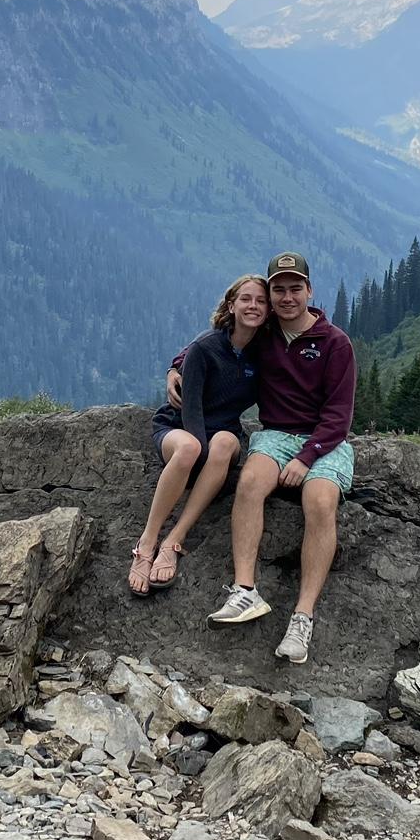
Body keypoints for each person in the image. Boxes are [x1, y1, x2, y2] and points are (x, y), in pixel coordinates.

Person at [167, 251, 356, 665]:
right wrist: (177, 366)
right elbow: (215, 343)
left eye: (295, 289)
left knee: (320, 501)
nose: (287, 297)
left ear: (310, 291)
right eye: (279, 290)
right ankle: (244, 591)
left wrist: (307, 458)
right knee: (250, 483)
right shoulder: (265, 332)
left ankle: (302, 617)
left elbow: (339, 417)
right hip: (273, 435)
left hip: (325, 441)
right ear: (270, 296)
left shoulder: (335, 343)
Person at [131, 274, 270, 596]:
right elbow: (190, 408)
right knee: (191, 448)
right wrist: (202, 464)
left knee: (224, 443)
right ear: (231, 305)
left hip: (224, 431)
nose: (253, 306)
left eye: (261, 301)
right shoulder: (205, 347)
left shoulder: (264, 354)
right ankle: (147, 541)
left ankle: (174, 539)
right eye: (246, 299)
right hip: (179, 425)